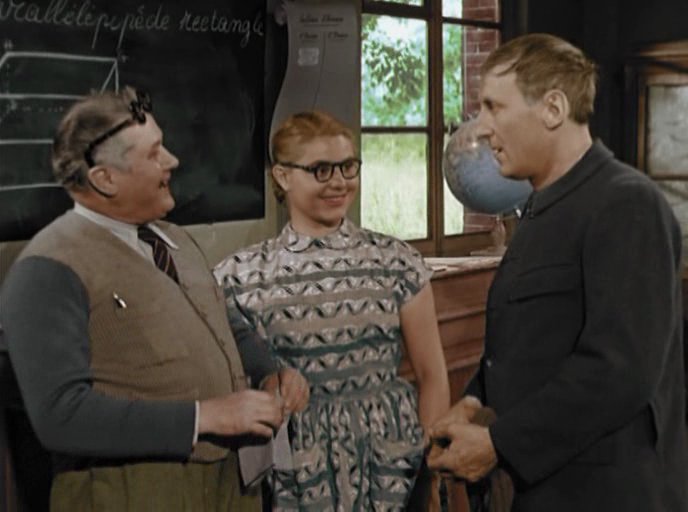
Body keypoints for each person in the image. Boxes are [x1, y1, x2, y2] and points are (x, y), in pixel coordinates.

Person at [0, 86, 310, 511]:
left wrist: (268, 372)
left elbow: (225, 326)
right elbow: (60, 415)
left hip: (228, 487)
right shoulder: (48, 268)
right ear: (105, 179)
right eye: (154, 153)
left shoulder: (175, 240)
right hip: (131, 491)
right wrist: (206, 416)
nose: (172, 161)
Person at [427, 33, 688, 511]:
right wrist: (474, 401)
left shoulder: (626, 204)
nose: (481, 129)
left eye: (494, 107)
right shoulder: (542, 209)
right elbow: (532, 344)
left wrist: (499, 445)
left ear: (552, 109)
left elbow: (619, 371)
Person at [213, 110, 450, 511]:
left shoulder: (396, 262)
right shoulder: (241, 276)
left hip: (395, 463)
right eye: (321, 170)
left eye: (347, 167)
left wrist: (431, 462)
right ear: (282, 176)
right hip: (298, 469)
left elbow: (432, 375)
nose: (339, 182)